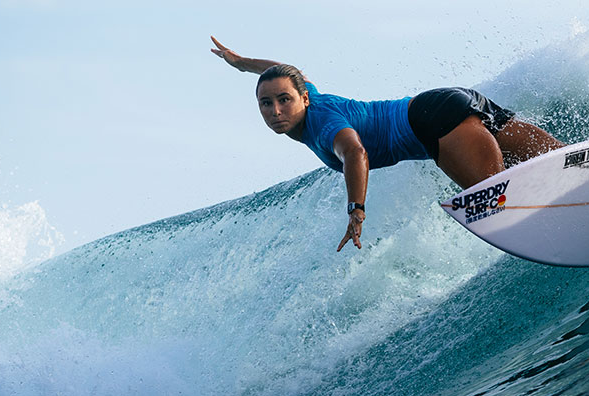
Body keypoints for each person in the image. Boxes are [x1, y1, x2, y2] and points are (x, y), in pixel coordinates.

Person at [210, 36, 564, 252]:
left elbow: (354, 151)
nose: (275, 110)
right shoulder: (311, 94)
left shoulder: (322, 125)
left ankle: (573, 226)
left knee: (503, 206)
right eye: (266, 103)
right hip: (450, 99)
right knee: (560, 161)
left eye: (283, 100)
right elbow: (286, 70)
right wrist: (242, 64)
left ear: (302, 99)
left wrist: (356, 209)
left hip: (434, 123)